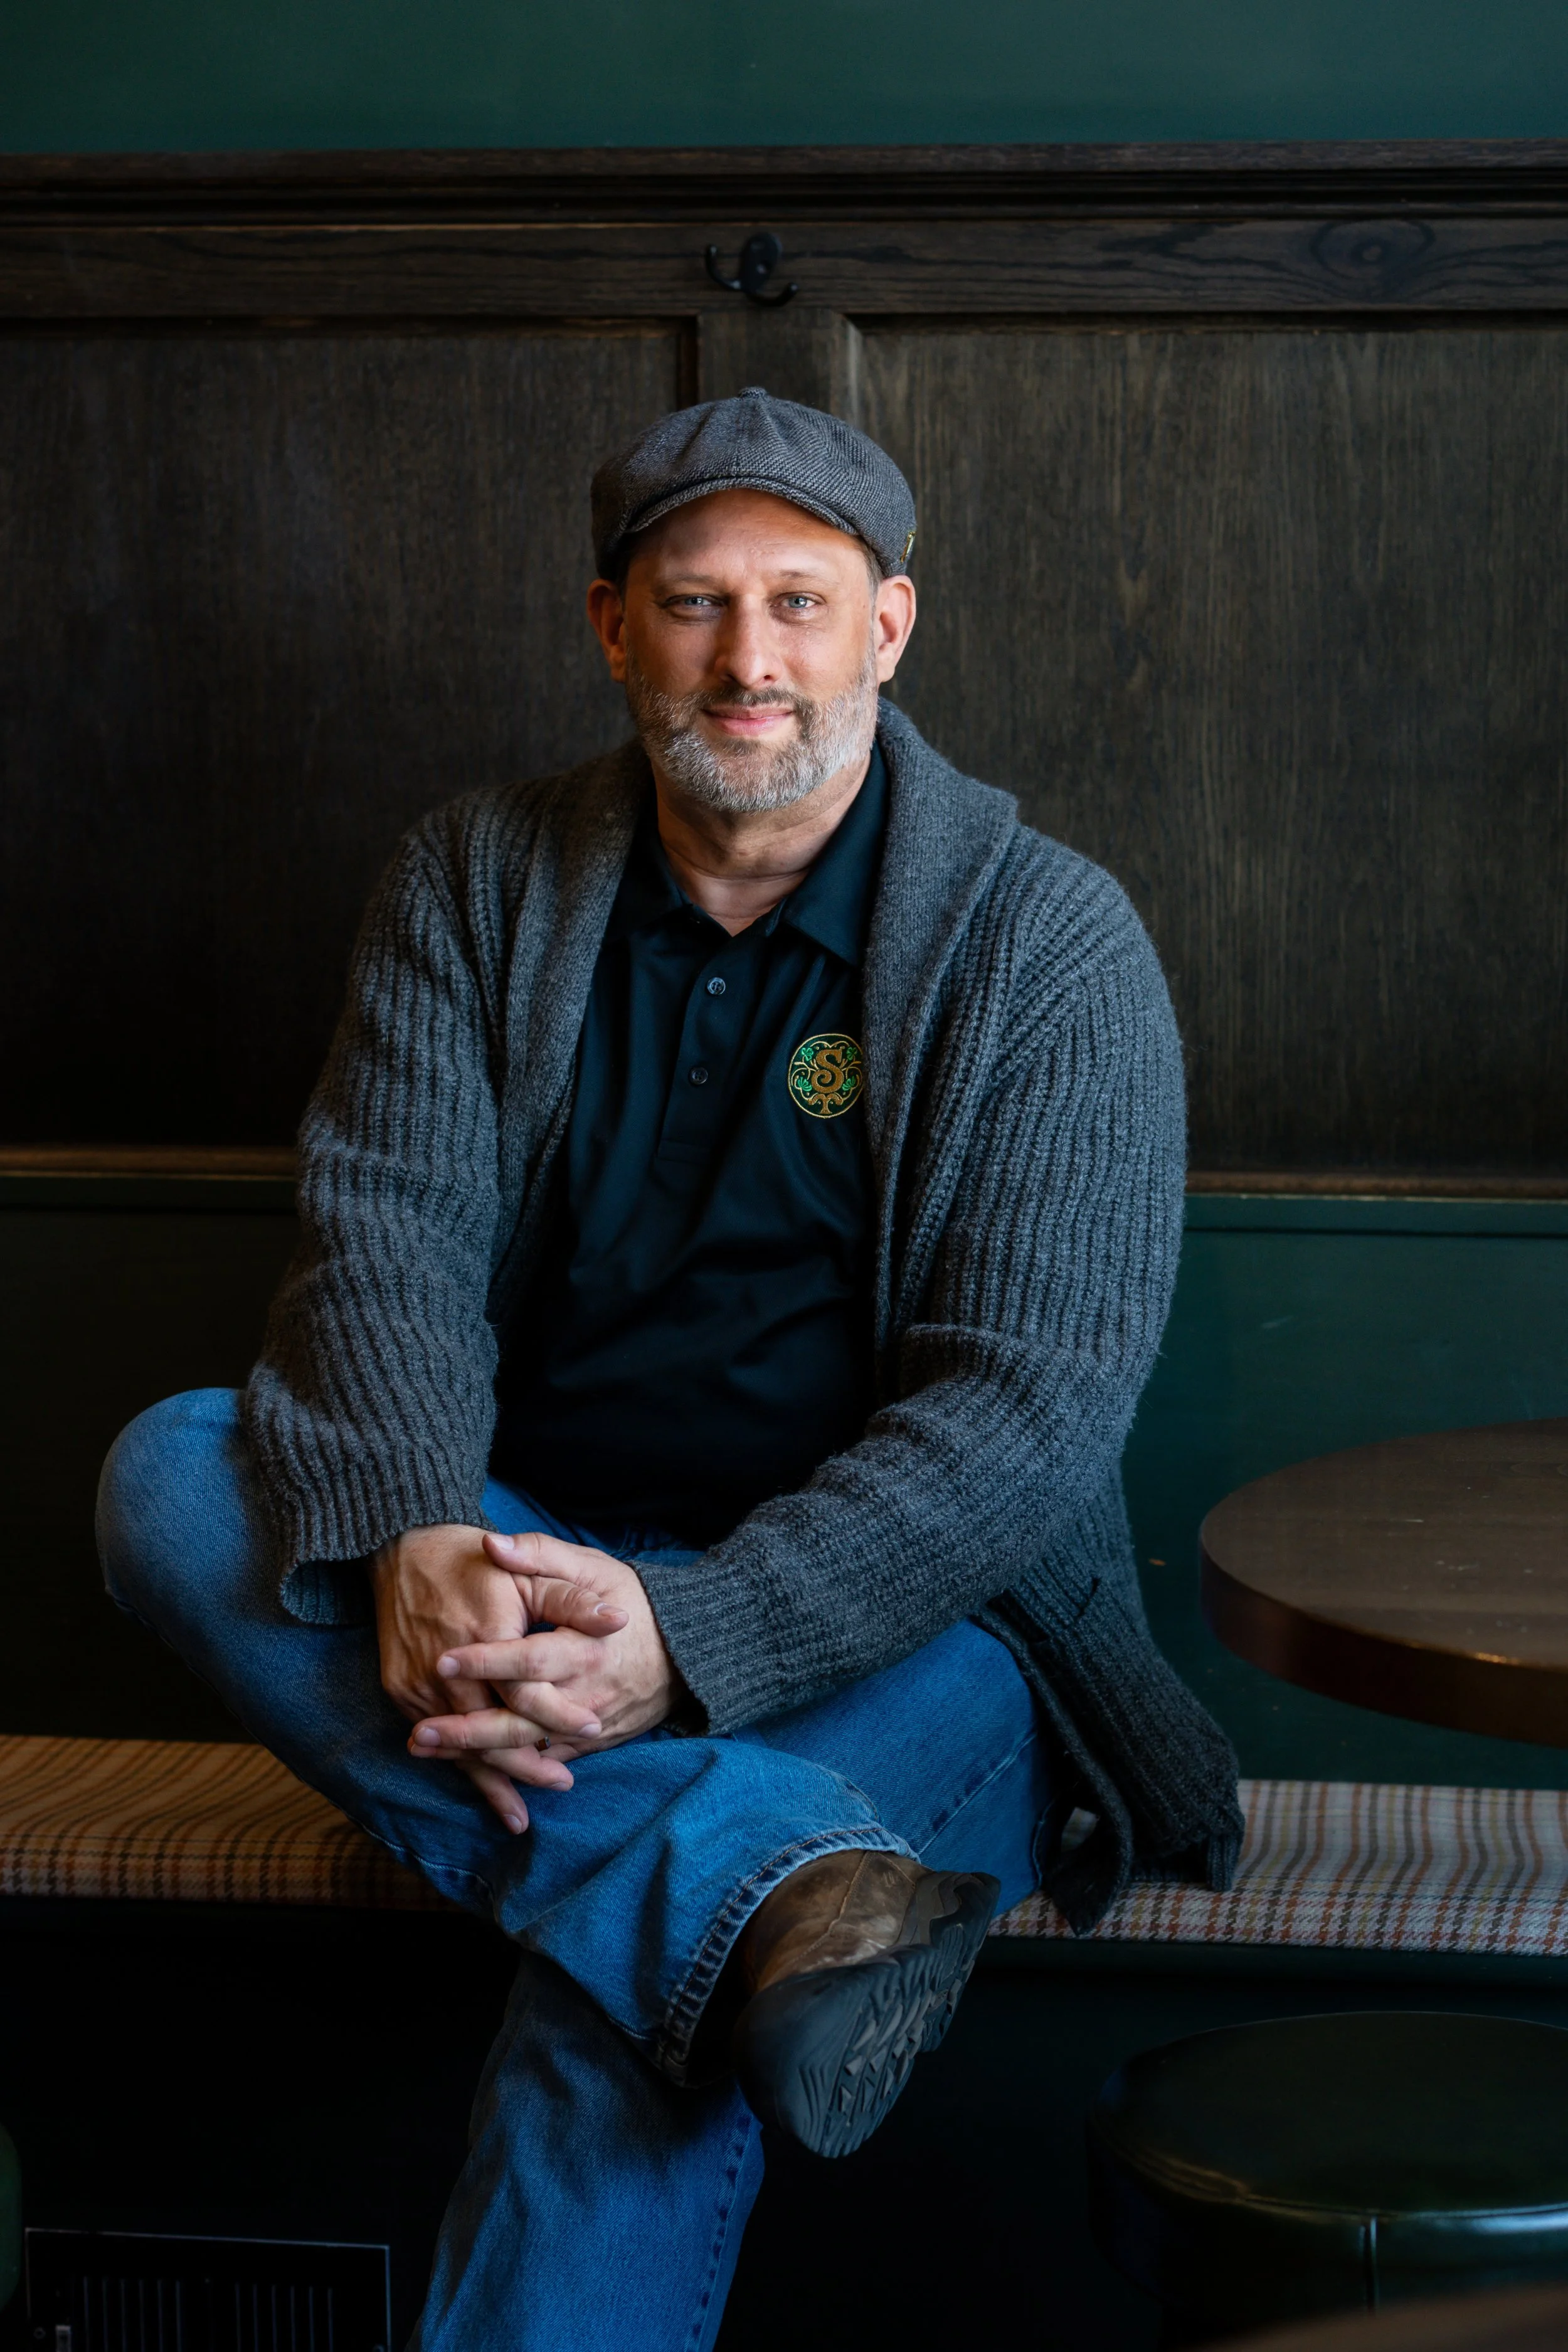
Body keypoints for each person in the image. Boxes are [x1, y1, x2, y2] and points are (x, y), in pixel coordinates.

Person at [97, 388, 1241, 2351]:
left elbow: (1024, 1419)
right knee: (179, 1471)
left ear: (888, 626)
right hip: (531, 1561)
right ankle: (764, 1887)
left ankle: (708, 1888)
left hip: (927, 1637)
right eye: (694, 602)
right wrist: (417, 1534)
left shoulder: (1047, 943)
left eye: (797, 602)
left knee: (612, 2013)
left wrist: (689, 1639)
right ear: (610, 625)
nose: (747, 658)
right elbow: (386, 1241)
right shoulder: (475, 880)